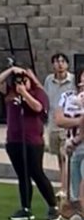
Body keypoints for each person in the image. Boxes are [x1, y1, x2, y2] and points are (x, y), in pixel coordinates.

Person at [0, 66, 59, 220]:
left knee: (36, 173)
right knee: (22, 175)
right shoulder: (10, 93)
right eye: (18, 82)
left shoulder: (38, 93)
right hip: (14, 140)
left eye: (25, 81)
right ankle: (26, 208)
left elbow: (38, 107)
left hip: (32, 141)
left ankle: (53, 206)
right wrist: (11, 70)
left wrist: (24, 93)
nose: (21, 84)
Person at [55, 67, 84, 220]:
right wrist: (79, 122)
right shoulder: (68, 97)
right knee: (74, 192)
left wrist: (77, 137)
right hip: (73, 148)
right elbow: (59, 120)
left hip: (78, 144)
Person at [44, 53, 74, 198]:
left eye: (62, 61)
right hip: (53, 124)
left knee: (65, 156)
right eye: (56, 62)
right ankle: (65, 184)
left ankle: (65, 189)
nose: (60, 64)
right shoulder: (49, 80)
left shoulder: (72, 80)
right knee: (59, 158)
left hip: (67, 125)